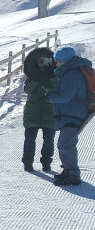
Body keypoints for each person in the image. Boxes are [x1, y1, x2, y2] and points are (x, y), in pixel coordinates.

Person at [46, 45, 92, 187]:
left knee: (66, 144)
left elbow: (65, 97)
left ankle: (73, 175)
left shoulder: (72, 74)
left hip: (73, 114)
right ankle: (68, 170)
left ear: (65, 61)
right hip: (73, 113)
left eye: (58, 61)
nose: (57, 64)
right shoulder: (73, 71)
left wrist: (49, 96)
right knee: (64, 144)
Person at [21, 47, 57, 172]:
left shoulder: (54, 75)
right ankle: (28, 163)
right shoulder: (32, 75)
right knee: (30, 140)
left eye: (46, 61)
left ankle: (46, 163)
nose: (43, 64)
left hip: (49, 112)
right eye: (40, 61)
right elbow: (27, 90)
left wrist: (50, 76)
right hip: (33, 112)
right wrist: (37, 79)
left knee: (49, 140)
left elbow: (57, 88)